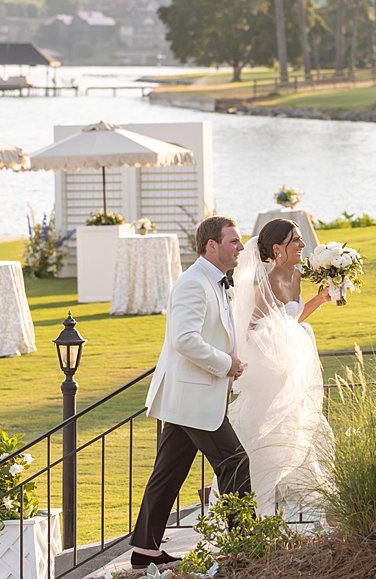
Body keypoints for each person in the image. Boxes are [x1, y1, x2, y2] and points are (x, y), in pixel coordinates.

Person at [129, 216, 249, 569]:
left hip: (190, 398)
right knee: (235, 461)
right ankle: (246, 543)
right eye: (233, 241)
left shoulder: (213, 281)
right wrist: (226, 363)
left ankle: (145, 551)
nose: (240, 247)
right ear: (211, 246)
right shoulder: (193, 283)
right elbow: (184, 340)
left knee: (168, 472)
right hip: (193, 398)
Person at [228, 218, 333, 522]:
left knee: (294, 431)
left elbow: (294, 316)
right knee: (263, 437)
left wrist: (322, 298)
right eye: (295, 241)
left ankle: (271, 510)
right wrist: (277, 356)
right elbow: (251, 331)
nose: (302, 245)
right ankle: (251, 509)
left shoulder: (296, 275)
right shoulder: (269, 283)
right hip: (273, 371)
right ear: (277, 248)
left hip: (296, 362)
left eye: (301, 239)